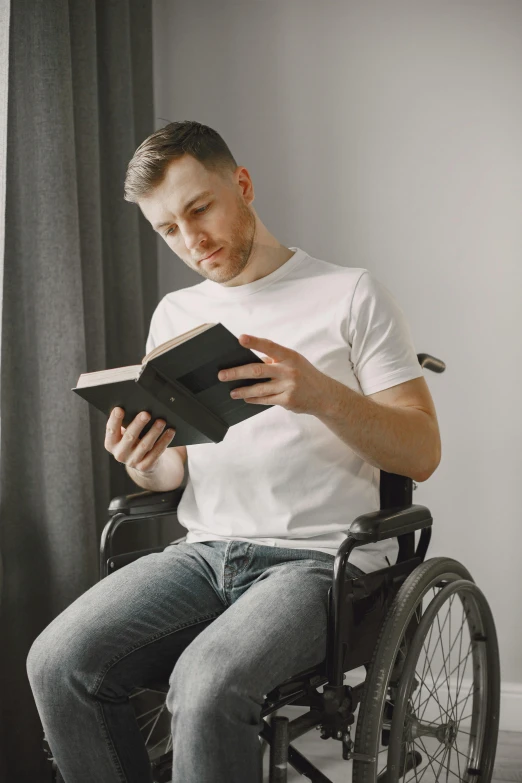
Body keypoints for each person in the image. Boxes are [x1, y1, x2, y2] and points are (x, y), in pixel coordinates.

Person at [27, 121, 441, 783]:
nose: (192, 241)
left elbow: (422, 450)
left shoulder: (352, 294)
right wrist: (141, 456)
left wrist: (320, 395)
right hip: (204, 553)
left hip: (320, 562)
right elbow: (172, 472)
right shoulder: (175, 313)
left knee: (207, 682)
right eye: (168, 229)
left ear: (241, 185)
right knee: (57, 661)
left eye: (199, 209)